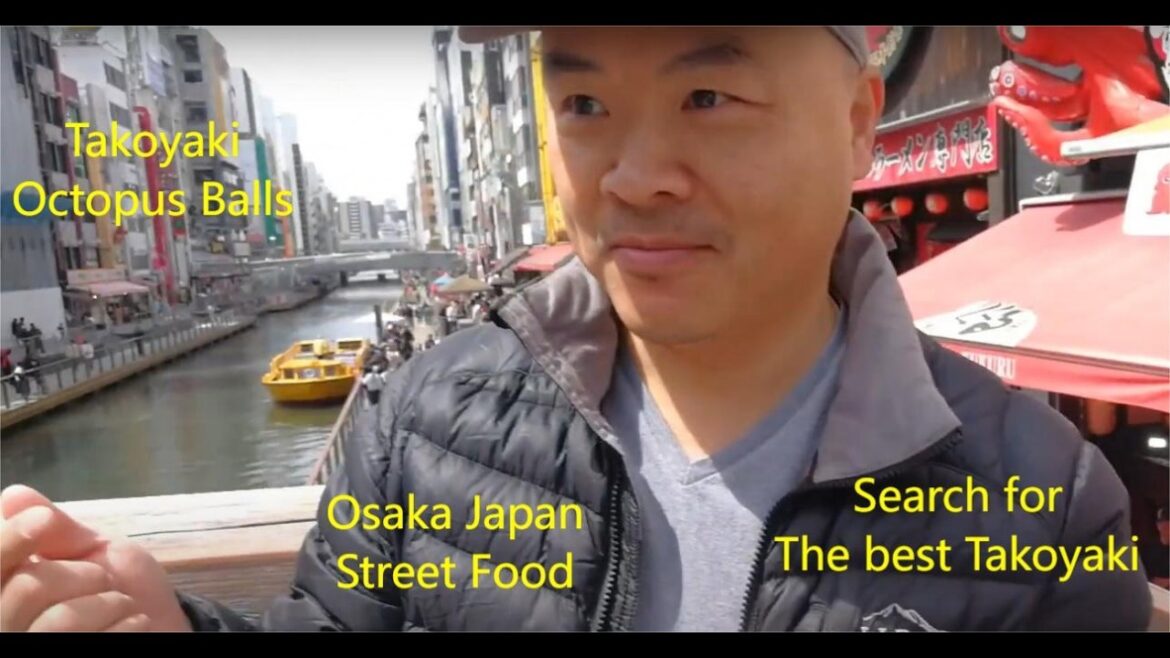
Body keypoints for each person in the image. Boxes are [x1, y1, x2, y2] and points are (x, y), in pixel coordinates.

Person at [0, 26, 1153, 633]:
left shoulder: (1042, 499)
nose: (635, 175)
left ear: (858, 125)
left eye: (709, 96)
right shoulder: (414, 422)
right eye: (585, 104)